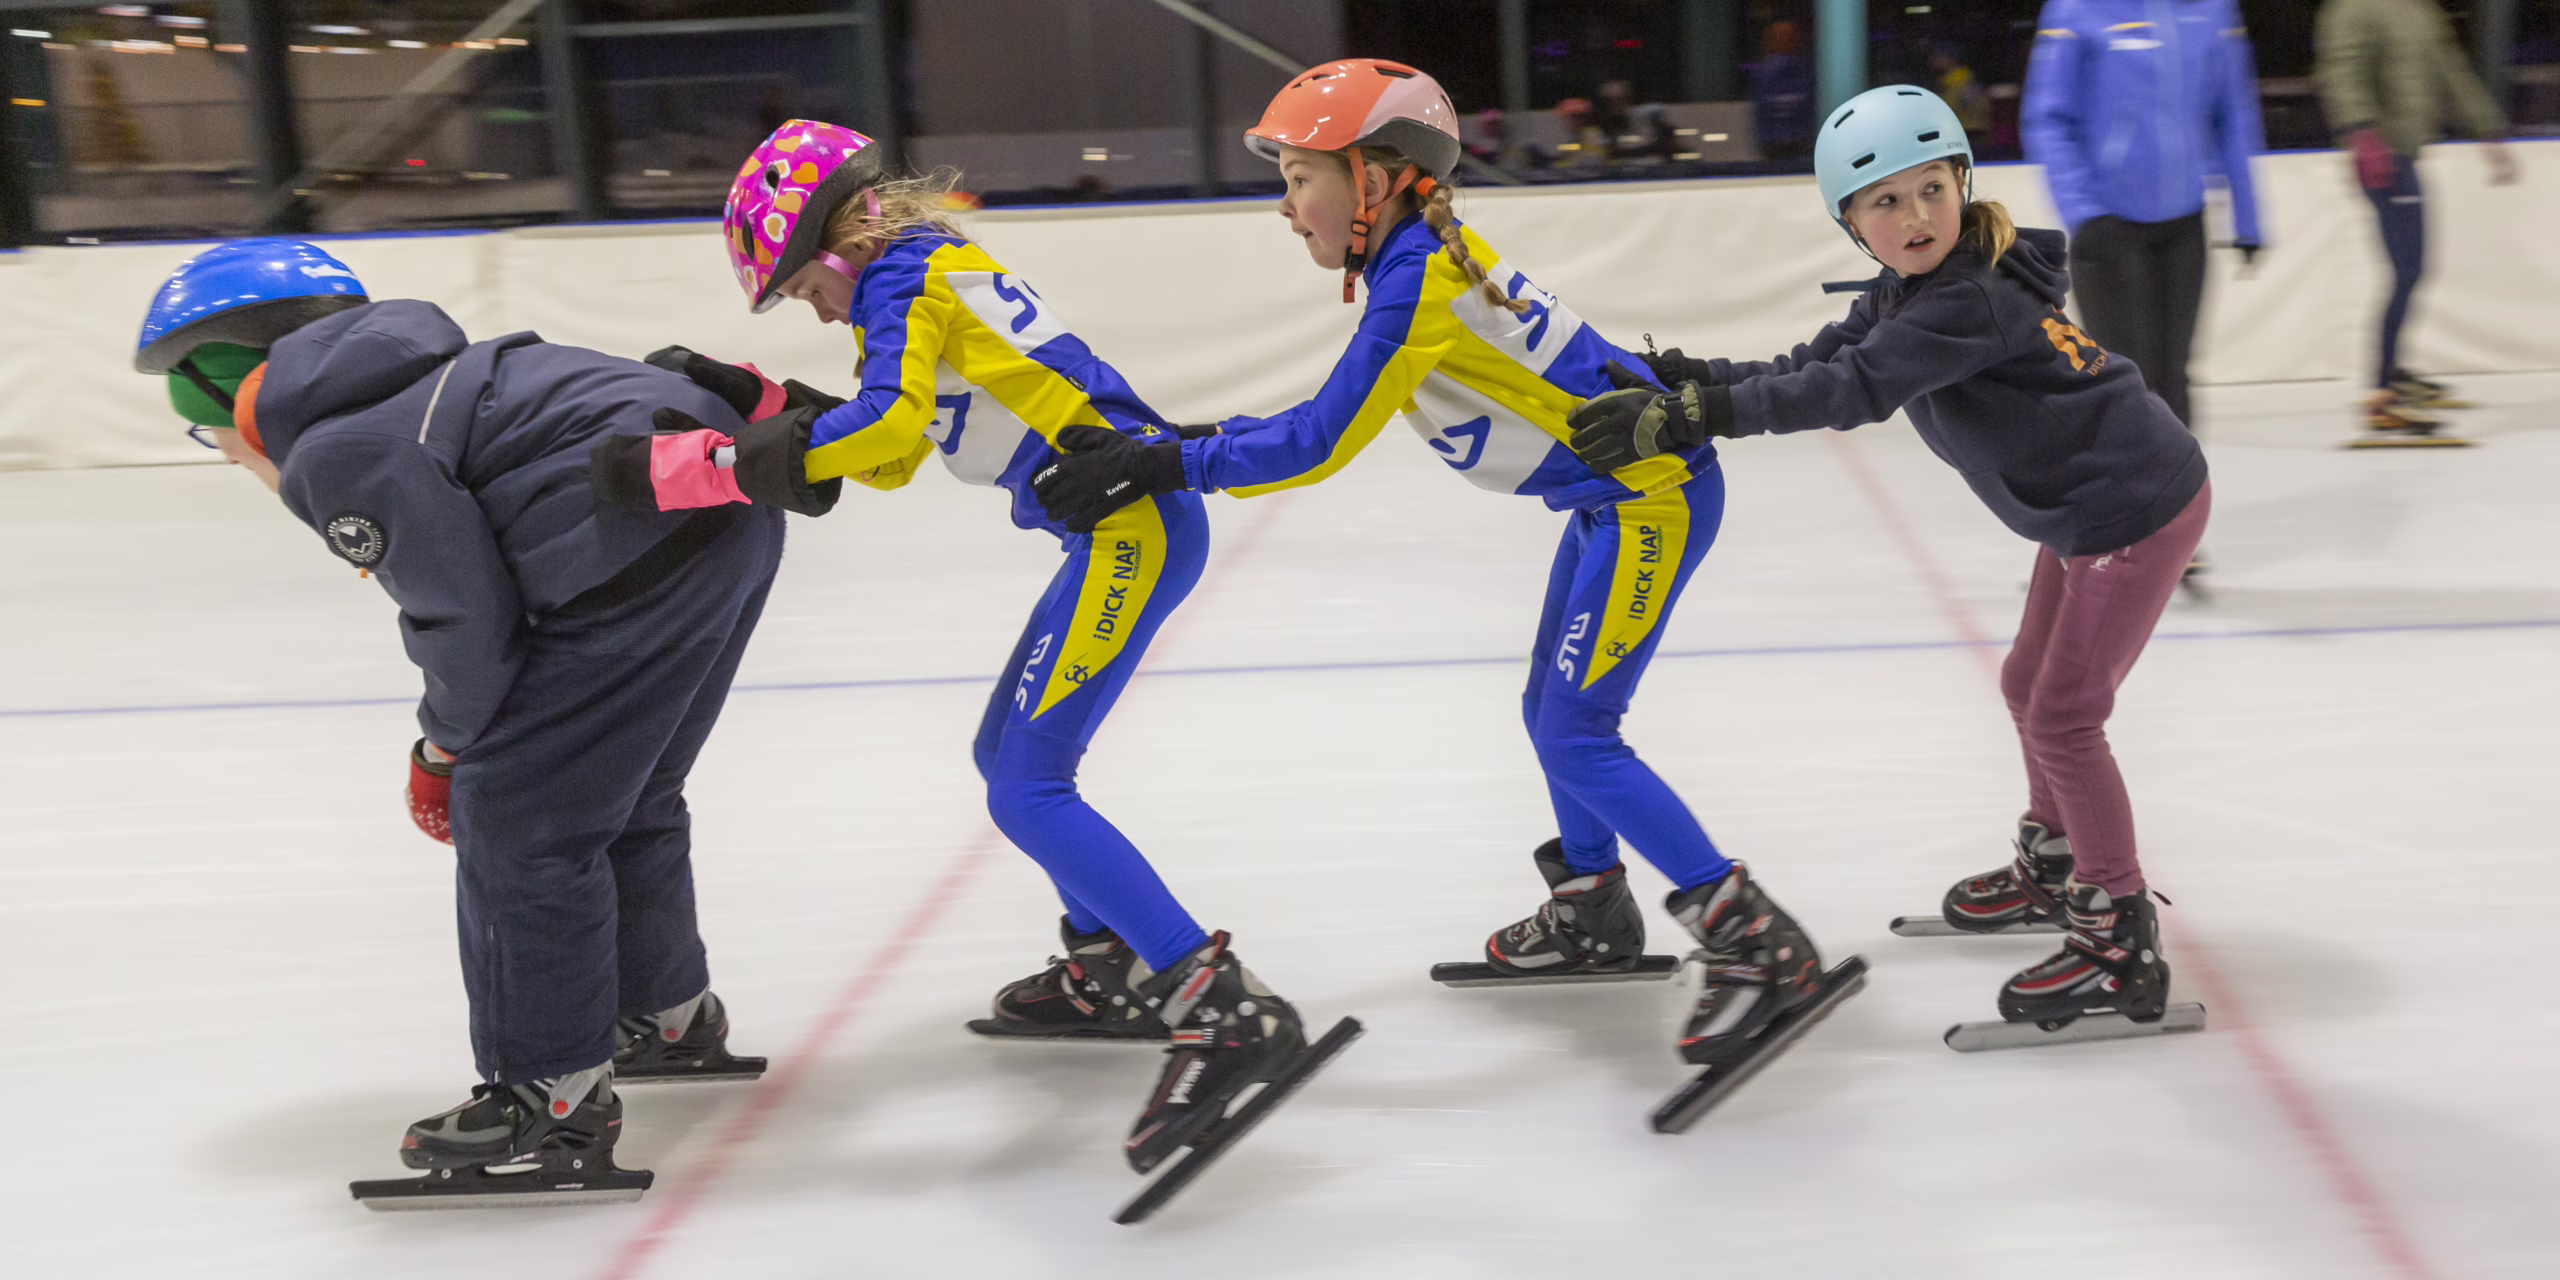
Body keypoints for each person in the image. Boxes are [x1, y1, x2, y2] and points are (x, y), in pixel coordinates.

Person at [1029, 60, 1849, 1082]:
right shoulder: (1420, 254)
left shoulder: (1415, 280)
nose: (1285, 208)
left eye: (1298, 178)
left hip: (1652, 498)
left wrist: (1164, 457)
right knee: (1552, 712)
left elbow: (1314, 442)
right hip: (1615, 498)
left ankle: (1757, 940)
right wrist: (1181, 442)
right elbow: (1312, 423)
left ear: (1372, 181)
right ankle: (1593, 902)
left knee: (1575, 732)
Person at [590, 120, 1324, 1176]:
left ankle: (1220, 1004)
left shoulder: (902, 283)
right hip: (1115, 529)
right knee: (1005, 762)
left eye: (805, 287)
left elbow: (884, 433)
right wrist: (750, 396)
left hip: (1134, 527)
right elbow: (897, 452)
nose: (815, 305)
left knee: (1027, 786)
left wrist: (699, 465)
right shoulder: (915, 272)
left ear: (840, 239)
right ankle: (1107, 961)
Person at [135, 238, 774, 1205]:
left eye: (205, 432)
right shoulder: (422, 374)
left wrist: (443, 749)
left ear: (226, 389)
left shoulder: (340, 445)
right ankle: (665, 1015)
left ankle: (549, 1098)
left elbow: (467, 625)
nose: (224, 456)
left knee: (520, 815)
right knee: (627, 781)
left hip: (635, 549)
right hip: (722, 515)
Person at [1566, 86, 2210, 1041]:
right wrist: (1693, 379)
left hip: (2133, 509)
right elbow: (1812, 359)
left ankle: (2118, 934)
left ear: (1962, 184)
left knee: (2067, 713)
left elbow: (1854, 388)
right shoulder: (1910, 292)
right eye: (1885, 202)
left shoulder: (1973, 297)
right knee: (2029, 683)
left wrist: (1700, 417)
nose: (1914, 216)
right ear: (1852, 221)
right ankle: (2054, 858)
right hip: (2084, 512)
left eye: (1930, 190)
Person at [2022, 0, 2266, 436]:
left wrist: (2247, 217)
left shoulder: (2212, 10)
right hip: (2107, 229)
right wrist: (2085, 212)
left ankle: (2183, 501)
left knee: (2174, 378)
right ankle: (2128, 501)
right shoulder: (2077, 9)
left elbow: (2234, 112)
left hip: (2185, 224)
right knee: (2126, 383)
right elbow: (2047, 120)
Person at [2316, 0, 2521, 444]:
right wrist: (2361, 132)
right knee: (2407, 270)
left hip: (2405, 151)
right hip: (2382, 155)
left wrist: (2490, 131)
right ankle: (2383, 395)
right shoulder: (2352, 9)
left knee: (2413, 268)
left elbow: (2450, 68)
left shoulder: (2417, 8)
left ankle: (2396, 372)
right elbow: (2341, 70)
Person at [1752, 22, 1814, 163]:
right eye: (1782, 37)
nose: (1790, 41)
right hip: (1775, 147)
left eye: (1791, 37)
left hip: (1799, 144)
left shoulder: (1804, 70)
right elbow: (1761, 113)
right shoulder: (1765, 73)